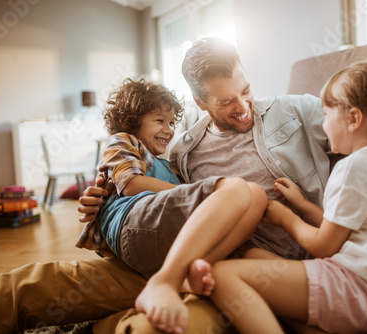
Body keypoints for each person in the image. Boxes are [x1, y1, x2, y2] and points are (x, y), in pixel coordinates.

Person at [0, 38, 367, 334]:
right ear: (198, 101)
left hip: (276, 273)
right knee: (45, 285)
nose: (243, 108)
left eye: (246, 91)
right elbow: (159, 202)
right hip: (202, 253)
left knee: (169, 326)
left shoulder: (297, 110)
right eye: (226, 101)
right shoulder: (182, 148)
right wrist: (107, 199)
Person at [207, 61, 367, 334]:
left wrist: (285, 219)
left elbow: (325, 245)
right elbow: (341, 227)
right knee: (255, 257)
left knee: (221, 275)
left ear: (353, 119)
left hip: (359, 290)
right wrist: (303, 206)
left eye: (326, 114)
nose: (324, 124)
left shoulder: (354, 166)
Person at [78, 78, 268, 333]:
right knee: (233, 189)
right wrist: (198, 194)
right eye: (159, 121)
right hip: (131, 220)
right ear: (131, 121)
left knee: (255, 196)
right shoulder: (123, 141)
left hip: (159, 238)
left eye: (171, 123)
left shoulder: (168, 166)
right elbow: (132, 184)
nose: (168, 130)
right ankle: (167, 282)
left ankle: (185, 277)